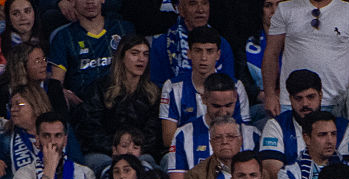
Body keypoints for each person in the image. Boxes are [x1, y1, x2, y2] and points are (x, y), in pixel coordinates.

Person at [262, 0, 349, 117]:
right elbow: (271, 53)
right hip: (293, 102)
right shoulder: (285, 9)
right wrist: (269, 95)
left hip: (338, 103)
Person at [259, 69, 349, 179]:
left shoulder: (343, 128)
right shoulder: (276, 125)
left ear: (320, 96)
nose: (305, 104)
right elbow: (273, 174)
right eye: (298, 98)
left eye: (310, 97)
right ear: (290, 99)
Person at [74, 36, 162, 168]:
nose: (141, 59)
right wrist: (117, 148)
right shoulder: (100, 88)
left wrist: (133, 149)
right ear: (121, 57)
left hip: (140, 153)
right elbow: (90, 129)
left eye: (145, 54)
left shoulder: (153, 93)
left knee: (146, 162)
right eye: (135, 53)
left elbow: (153, 133)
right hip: (104, 152)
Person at [158, 27, 250, 149]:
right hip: (185, 150)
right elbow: (169, 139)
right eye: (198, 51)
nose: (204, 58)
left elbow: (243, 132)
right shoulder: (172, 87)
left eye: (210, 51)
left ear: (218, 55)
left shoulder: (236, 87)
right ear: (189, 53)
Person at [167, 76, 261, 179]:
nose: (223, 112)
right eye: (216, 106)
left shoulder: (253, 135)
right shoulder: (183, 134)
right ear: (204, 99)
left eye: (228, 105)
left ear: (235, 98)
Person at [12, 112, 98, 179]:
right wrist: (50, 167)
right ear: (37, 140)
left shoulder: (85, 173)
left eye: (58, 136)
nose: (52, 141)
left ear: (65, 140)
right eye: (46, 136)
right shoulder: (23, 174)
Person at [47, 0, 133, 100]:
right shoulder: (64, 37)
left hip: (122, 100)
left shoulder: (123, 29)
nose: (90, 2)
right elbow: (57, 83)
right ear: (72, 2)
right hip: (83, 104)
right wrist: (67, 95)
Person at [150, 0, 235, 87]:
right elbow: (156, 86)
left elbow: (229, 85)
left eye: (204, 3)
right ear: (181, 9)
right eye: (193, 4)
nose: (200, 10)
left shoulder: (222, 44)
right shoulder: (162, 44)